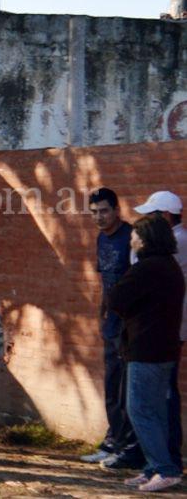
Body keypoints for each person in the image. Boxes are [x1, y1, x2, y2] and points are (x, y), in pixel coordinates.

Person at [110, 214, 185, 492]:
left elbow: (116, 297)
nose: (131, 239)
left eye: (135, 234)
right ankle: (155, 467)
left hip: (147, 349)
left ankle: (165, 469)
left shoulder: (147, 268)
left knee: (139, 409)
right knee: (154, 411)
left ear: (146, 238)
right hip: (163, 347)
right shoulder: (168, 265)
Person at [81, 188, 144, 469]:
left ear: (117, 210)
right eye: (94, 212)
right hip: (112, 325)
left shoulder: (130, 239)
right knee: (111, 385)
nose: (99, 217)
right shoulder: (101, 239)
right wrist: (102, 314)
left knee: (123, 389)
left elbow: (138, 284)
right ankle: (112, 441)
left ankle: (126, 446)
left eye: (104, 211)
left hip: (129, 327)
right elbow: (106, 282)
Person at [133, 191, 186, 474]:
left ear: (165, 217)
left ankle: (165, 463)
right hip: (168, 329)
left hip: (164, 331)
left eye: (151, 216)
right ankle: (161, 461)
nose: (145, 223)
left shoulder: (177, 243)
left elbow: (137, 274)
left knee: (158, 400)